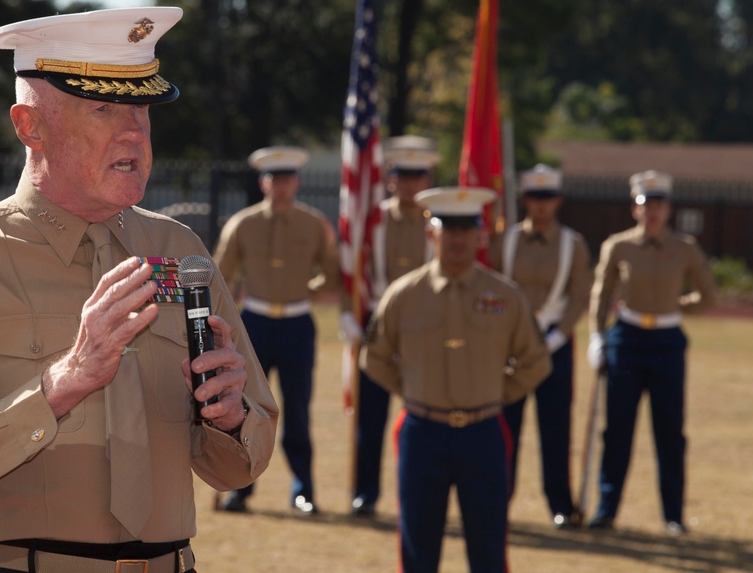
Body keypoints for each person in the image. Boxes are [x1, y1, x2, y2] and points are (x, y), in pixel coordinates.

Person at [0, 7, 279, 573]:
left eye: (142, 108)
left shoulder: (180, 251)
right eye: (102, 108)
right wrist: (64, 383)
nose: (133, 131)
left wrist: (230, 420)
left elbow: (239, 467)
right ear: (30, 127)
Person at [361, 186, 551, 573]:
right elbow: (375, 358)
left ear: (482, 235)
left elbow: (535, 361)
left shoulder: (505, 296)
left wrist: (496, 393)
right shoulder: (404, 295)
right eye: (449, 230)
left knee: (488, 547)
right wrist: (413, 390)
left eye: (467, 230)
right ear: (431, 233)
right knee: (418, 545)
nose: (458, 239)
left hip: (483, 434)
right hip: (421, 432)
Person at [586, 170, 716, 535]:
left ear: (668, 209)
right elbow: (601, 294)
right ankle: (606, 509)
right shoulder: (618, 246)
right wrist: (598, 338)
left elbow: (709, 295)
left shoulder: (685, 248)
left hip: (667, 342)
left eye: (659, 205)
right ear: (635, 209)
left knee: (670, 432)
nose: (653, 212)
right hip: (626, 340)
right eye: (647, 205)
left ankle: (673, 515)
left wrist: (677, 307)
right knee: (618, 430)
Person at [213, 146, 340, 514]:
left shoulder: (315, 223)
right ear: (263, 182)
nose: (280, 186)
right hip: (254, 323)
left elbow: (331, 273)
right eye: (273, 179)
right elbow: (222, 275)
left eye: (286, 179)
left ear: (296, 182)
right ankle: (240, 488)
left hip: (298, 323)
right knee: (245, 406)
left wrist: (304, 289)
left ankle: (304, 490)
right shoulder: (243, 223)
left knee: (298, 409)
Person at [339, 134, 439, 517]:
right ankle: (366, 491)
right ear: (391, 178)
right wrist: (350, 312)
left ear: (428, 179)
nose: (411, 183)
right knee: (372, 414)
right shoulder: (373, 216)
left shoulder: (438, 220)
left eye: (418, 175)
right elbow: (350, 261)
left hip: (426, 323)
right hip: (379, 323)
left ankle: (422, 493)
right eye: (404, 175)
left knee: (426, 412)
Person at [488, 164, 591, 529]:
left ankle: (560, 503)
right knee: (505, 429)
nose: (541, 205)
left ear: (558, 201)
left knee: (555, 428)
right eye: (535, 197)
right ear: (525, 199)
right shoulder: (507, 240)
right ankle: (498, 500)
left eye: (548, 197)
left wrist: (557, 336)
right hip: (513, 344)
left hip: (553, 344)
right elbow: (494, 289)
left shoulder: (572, 244)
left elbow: (580, 296)